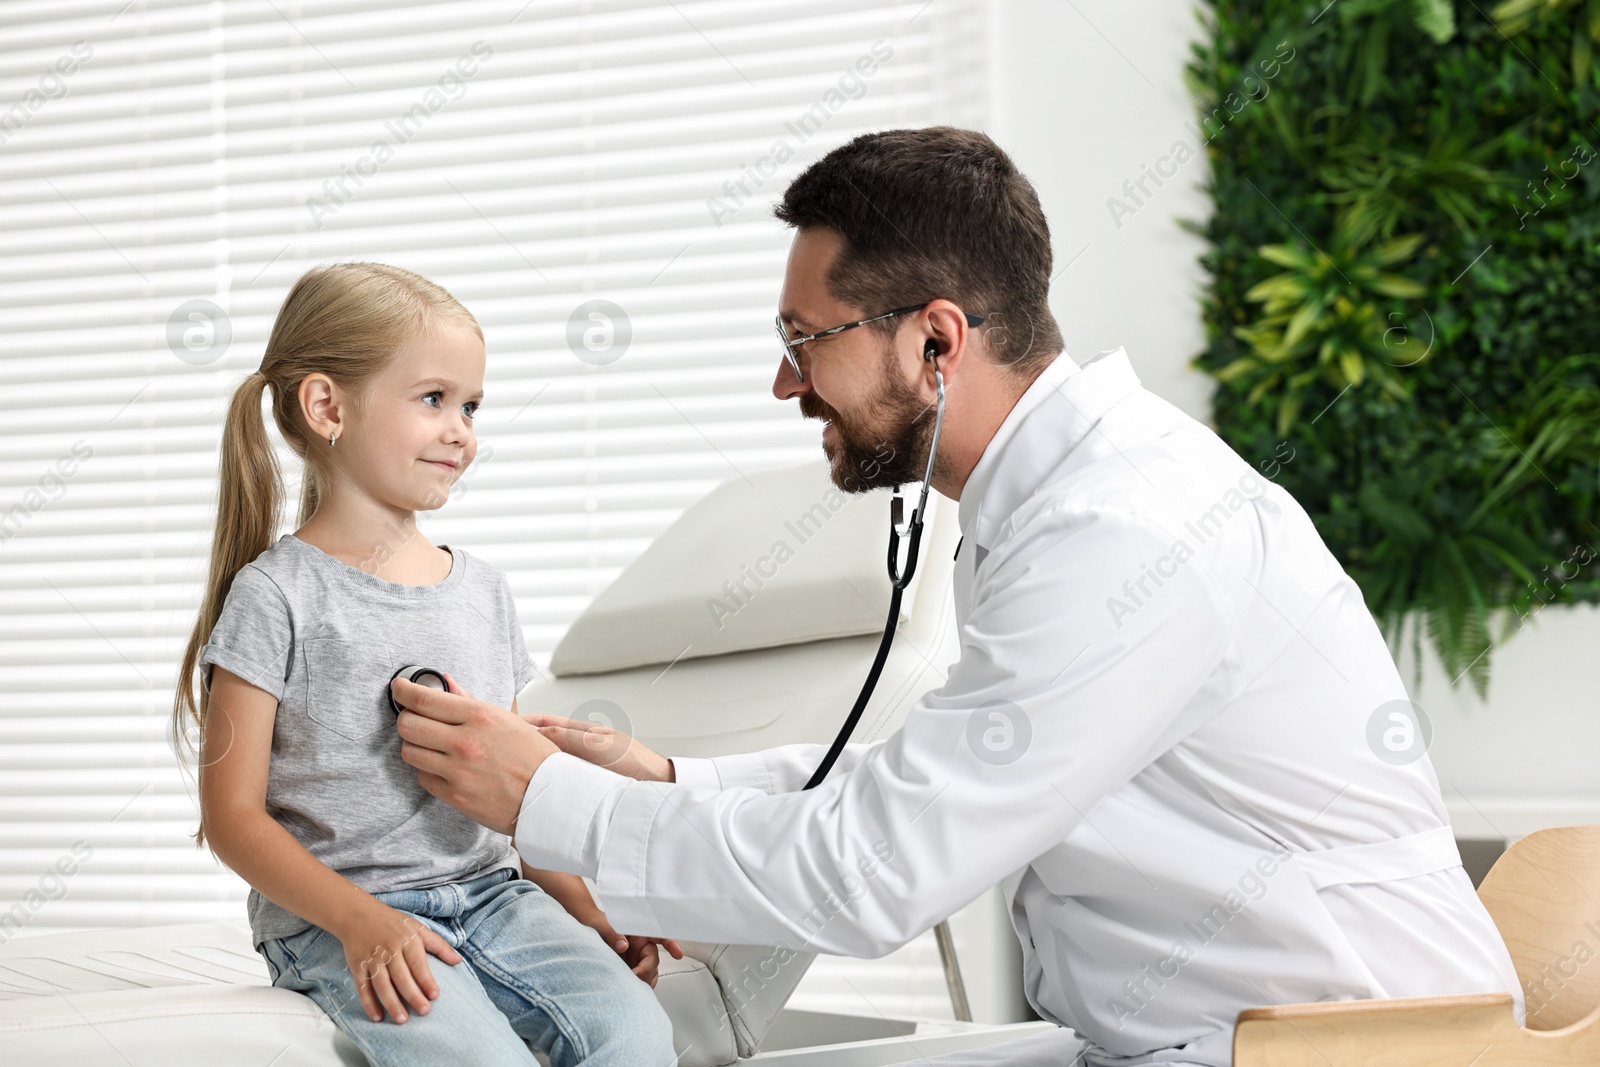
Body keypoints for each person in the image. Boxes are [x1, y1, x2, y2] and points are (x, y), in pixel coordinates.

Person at [392, 129, 1522, 1067]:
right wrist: (668, 775)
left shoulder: (1122, 532)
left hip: (1337, 1045)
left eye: (803, 343)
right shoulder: (1058, 503)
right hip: (1187, 1034)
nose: (784, 382)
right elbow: (933, 773)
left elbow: (877, 870)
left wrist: (550, 801)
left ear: (935, 340)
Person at [172, 263, 679, 1067]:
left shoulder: (485, 591)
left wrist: (592, 910)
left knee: (637, 1033)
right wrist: (361, 923)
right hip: (340, 916)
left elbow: (516, 794)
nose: (462, 430)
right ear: (327, 406)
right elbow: (233, 820)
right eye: (434, 399)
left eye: (472, 406)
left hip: (494, 898)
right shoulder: (276, 595)